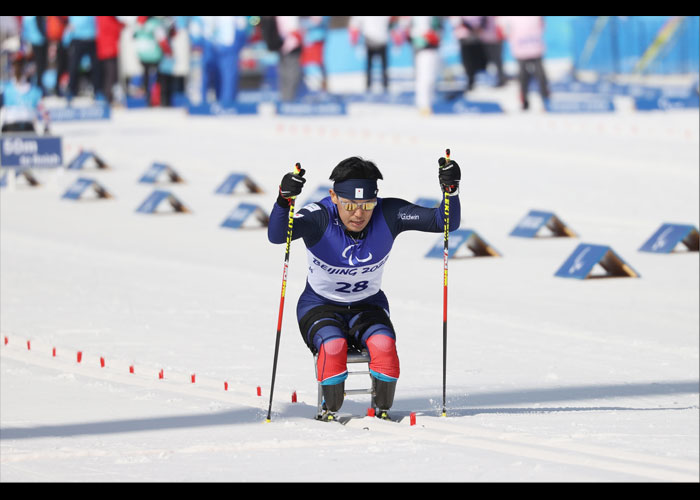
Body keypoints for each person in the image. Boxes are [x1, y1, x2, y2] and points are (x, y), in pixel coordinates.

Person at [267, 155, 462, 420]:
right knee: (333, 346)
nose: (358, 214)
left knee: (384, 344)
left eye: (367, 204)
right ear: (334, 196)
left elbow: (444, 222)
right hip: (319, 306)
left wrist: (451, 191)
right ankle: (329, 411)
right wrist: (284, 200)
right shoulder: (318, 217)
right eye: (349, 205)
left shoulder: (389, 213)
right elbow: (278, 235)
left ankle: (382, 411)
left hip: (368, 305)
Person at [497, 16, 549, 110]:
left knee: (539, 75)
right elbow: (503, 29)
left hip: (533, 47)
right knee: (524, 76)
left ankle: (545, 99)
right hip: (521, 48)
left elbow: (542, 25)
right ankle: (525, 100)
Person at [0, 52, 46, 133]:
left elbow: (44, 113)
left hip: (28, 129)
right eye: (16, 66)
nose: (18, 69)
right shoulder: (4, 89)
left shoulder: (35, 91)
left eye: (21, 66)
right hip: (10, 129)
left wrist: (46, 127)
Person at [349, 16, 392, 93]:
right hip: (372, 39)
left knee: (380, 65)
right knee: (371, 65)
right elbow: (355, 23)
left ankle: (383, 84)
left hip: (381, 39)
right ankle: (370, 84)